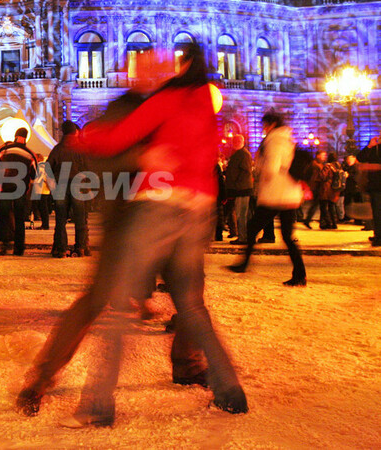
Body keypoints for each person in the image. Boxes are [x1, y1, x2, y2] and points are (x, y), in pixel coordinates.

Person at [17, 44, 247, 427]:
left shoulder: (172, 100)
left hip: (162, 213)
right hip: (130, 219)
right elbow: (108, 152)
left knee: (191, 302)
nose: (157, 69)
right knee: (102, 301)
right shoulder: (127, 105)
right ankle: (41, 380)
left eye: (163, 64)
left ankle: (186, 369)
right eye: (147, 64)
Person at [228, 112, 306, 286]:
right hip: (288, 193)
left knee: (253, 227)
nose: (263, 128)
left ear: (271, 124)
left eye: (265, 124)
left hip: (276, 194)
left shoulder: (275, 140)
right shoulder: (286, 139)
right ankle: (300, 274)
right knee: (286, 235)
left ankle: (243, 264)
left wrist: (262, 172)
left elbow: (272, 167)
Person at [0, 128, 38, 257]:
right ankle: (19, 248)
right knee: (19, 218)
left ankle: (5, 245)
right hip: (21, 189)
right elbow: (35, 174)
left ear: (15, 136)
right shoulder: (30, 153)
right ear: (26, 138)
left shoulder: (4, 149)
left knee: (4, 216)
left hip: (4, 187)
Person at [46, 121, 88, 258]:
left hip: (61, 185)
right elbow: (89, 169)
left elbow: (48, 168)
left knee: (61, 219)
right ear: (74, 132)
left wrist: (53, 186)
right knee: (80, 218)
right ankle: (80, 248)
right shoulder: (81, 148)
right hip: (78, 185)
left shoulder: (57, 149)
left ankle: (61, 249)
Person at [225, 134, 253, 245]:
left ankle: (243, 237)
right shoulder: (238, 153)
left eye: (236, 141)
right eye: (234, 141)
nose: (234, 143)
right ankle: (242, 236)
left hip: (242, 189)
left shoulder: (243, 154)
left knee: (242, 214)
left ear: (241, 142)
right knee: (240, 213)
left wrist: (236, 183)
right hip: (239, 188)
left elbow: (245, 171)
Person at [357, 133, 381, 246]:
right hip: (375, 185)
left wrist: (374, 167)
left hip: (377, 185)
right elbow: (360, 158)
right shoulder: (374, 148)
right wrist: (369, 146)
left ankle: (379, 237)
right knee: (376, 212)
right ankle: (378, 235)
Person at [302, 150, 327, 228]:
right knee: (317, 204)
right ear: (317, 156)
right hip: (316, 186)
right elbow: (315, 176)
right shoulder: (315, 165)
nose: (324, 157)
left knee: (316, 205)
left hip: (316, 186)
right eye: (323, 155)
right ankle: (309, 220)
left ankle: (308, 220)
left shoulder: (318, 164)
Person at [31, 154, 51, 230]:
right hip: (44, 189)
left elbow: (41, 177)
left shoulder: (40, 166)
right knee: (43, 207)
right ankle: (45, 224)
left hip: (41, 189)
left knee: (43, 208)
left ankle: (45, 225)